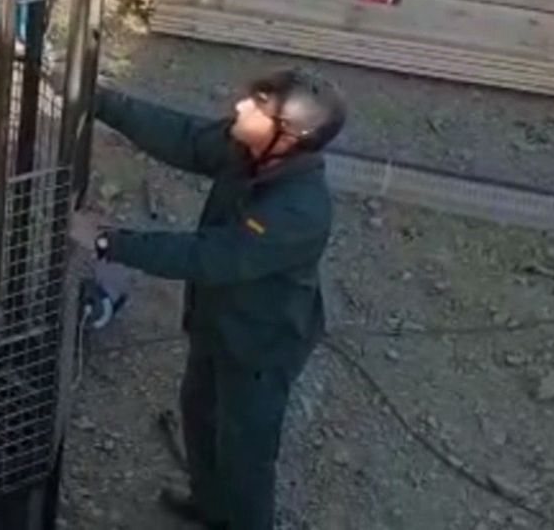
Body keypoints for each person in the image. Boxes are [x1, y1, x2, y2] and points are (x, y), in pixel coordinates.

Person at [69, 69, 348, 530]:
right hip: (218, 322)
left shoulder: (299, 209)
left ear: (289, 136)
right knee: (200, 415)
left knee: (246, 454)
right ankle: (210, 505)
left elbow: (210, 257)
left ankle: (240, 520)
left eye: (259, 105)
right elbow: (185, 138)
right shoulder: (252, 151)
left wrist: (107, 241)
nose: (240, 106)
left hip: (261, 346)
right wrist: (97, 100)